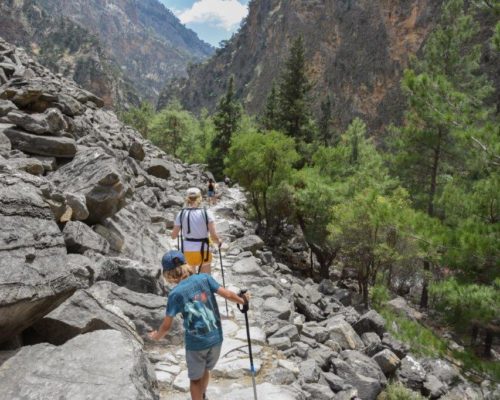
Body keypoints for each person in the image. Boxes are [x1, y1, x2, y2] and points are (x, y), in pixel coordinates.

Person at [149, 250, 249, 400]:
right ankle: (203, 396)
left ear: (168, 274)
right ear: (186, 265)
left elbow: (166, 326)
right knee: (206, 369)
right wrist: (243, 301)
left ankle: (199, 396)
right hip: (216, 338)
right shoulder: (204, 278)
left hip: (196, 344)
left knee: (195, 380)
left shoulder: (175, 294)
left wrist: (156, 336)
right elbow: (227, 294)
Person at [172, 187, 221, 274]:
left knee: (191, 281)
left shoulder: (182, 213)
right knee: (205, 280)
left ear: (187, 199)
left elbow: (174, 236)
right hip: (204, 250)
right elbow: (213, 236)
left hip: (187, 250)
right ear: (200, 198)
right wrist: (219, 241)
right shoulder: (206, 213)